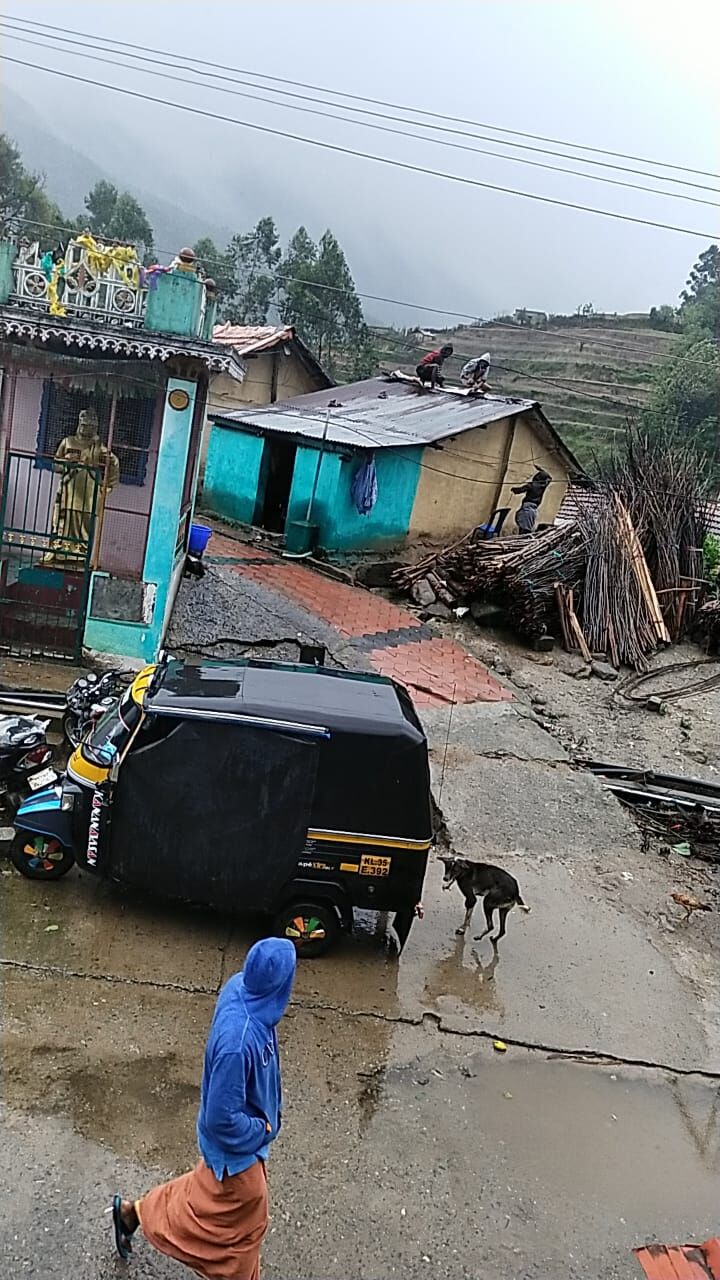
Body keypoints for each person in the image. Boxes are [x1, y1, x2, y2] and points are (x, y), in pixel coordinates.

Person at [112, 937, 297, 1280]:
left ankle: (132, 1213)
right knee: (243, 1233)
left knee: (202, 1198)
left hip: (236, 1153)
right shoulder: (238, 1045)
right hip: (238, 1154)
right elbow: (220, 1119)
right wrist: (263, 1129)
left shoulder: (239, 987)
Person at [511, 469, 551, 535]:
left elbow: (519, 490)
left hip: (527, 508)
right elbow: (550, 478)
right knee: (527, 527)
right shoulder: (543, 486)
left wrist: (513, 489)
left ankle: (521, 542)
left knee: (524, 529)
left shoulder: (531, 485)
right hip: (534, 509)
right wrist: (542, 470)